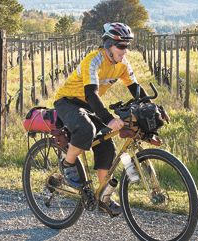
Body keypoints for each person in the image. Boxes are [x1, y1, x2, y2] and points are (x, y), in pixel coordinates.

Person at [54, 22, 149, 216]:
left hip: (88, 106)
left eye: (127, 46)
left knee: (106, 143)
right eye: (121, 46)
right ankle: (67, 164)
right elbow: (91, 94)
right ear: (108, 45)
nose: (125, 50)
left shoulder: (122, 64)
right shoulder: (94, 60)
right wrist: (108, 118)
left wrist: (150, 107)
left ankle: (104, 197)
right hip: (68, 102)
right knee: (86, 129)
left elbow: (136, 90)